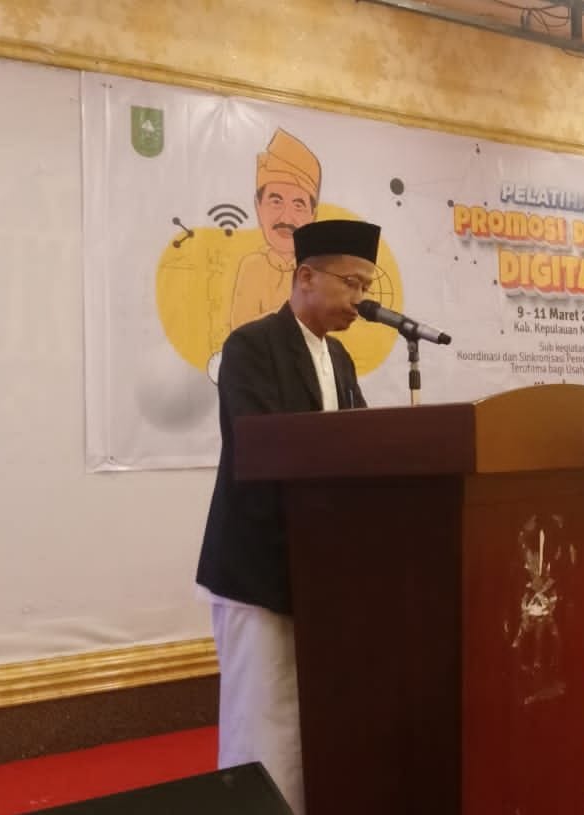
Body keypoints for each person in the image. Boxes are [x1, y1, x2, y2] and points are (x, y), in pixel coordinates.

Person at [196, 218, 380, 813]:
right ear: (305, 276)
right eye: (351, 283)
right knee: (263, 717)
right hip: (259, 563)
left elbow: (361, 446)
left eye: (366, 286)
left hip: (319, 568)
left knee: (310, 716)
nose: (360, 299)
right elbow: (262, 447)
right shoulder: (251, 347)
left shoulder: (340, 358)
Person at [229, 129, 322, 331]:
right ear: (258, 207)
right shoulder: (252, 267)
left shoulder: (320, 274)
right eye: (276, 201)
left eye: (298, 205)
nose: (286, 218)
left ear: (313, 214)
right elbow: (241, 334)